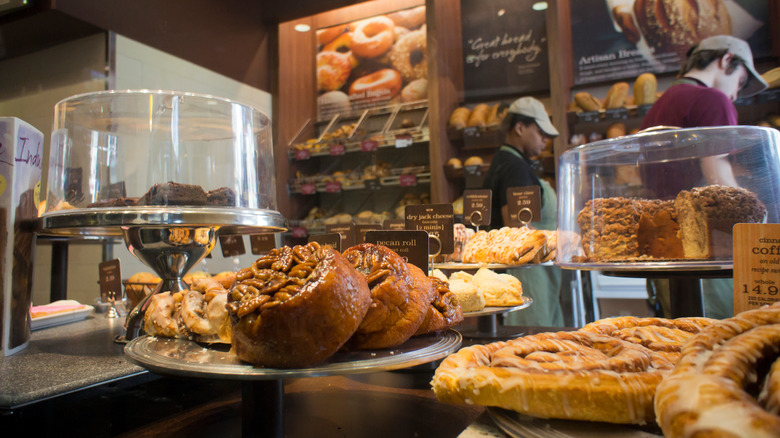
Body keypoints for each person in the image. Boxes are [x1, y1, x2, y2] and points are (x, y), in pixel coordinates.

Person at [640, 35, 769, 319]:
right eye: (741, 81)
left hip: (667, 251)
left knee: (682, 341)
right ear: (726, 60)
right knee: (724, 344)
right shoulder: (712, 99)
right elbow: (719, 181)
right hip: (709, 248)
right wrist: (759, 231)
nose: (736, 93)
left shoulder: (659, 105)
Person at [482, 97, 564, 327]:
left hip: (530, 273)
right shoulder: (515, 168)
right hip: (526, 274)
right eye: (540, 133)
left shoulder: (506, 161)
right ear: (520, 128)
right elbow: (517, 231)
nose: (545, 141)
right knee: (532, 343)